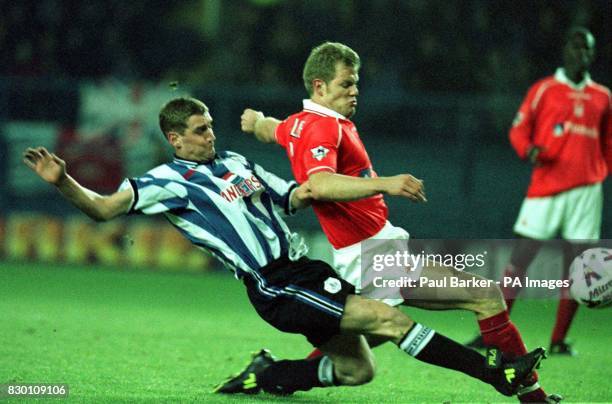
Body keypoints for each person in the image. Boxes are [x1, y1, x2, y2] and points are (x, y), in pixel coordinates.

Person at [24, 97, 544, 398]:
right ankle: (493, 374)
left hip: (305, 271)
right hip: (274, 284)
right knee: (391, 321)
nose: (210, 135)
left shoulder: (237, 163)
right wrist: (64, 182)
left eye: (210, 127)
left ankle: (270, 373)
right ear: (176, 140)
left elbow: (295, 194)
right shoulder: (165, 181)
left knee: (357, 370)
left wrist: (339, 184)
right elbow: (104, 208)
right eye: (199, 131)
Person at [236, 42, 561, 402]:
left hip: (374, 248)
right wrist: (386, 183)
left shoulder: (300, 124)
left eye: (356, 83)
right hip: (372, 254)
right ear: (319, 87)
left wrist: (256, 123)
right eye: (346, 84)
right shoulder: (322, 128)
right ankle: (534, 398)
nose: (355, 90)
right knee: (485, 295)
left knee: (360, 348)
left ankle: (273, 374)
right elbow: (320, 184)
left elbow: (275, 129)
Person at [466, 27, 611, 355]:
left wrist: (600, 170)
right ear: (566, 52)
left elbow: (609, 142)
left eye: (587, 50)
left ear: (592, 54)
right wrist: (527, 149)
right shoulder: (544, 89)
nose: (581, 55)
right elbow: (518, 129)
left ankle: (558, 341)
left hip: (586, 192)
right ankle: (493, 334)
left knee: (578, 270)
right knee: (519, 260)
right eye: (576, 49)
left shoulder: (603, 96)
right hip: (545, 187)